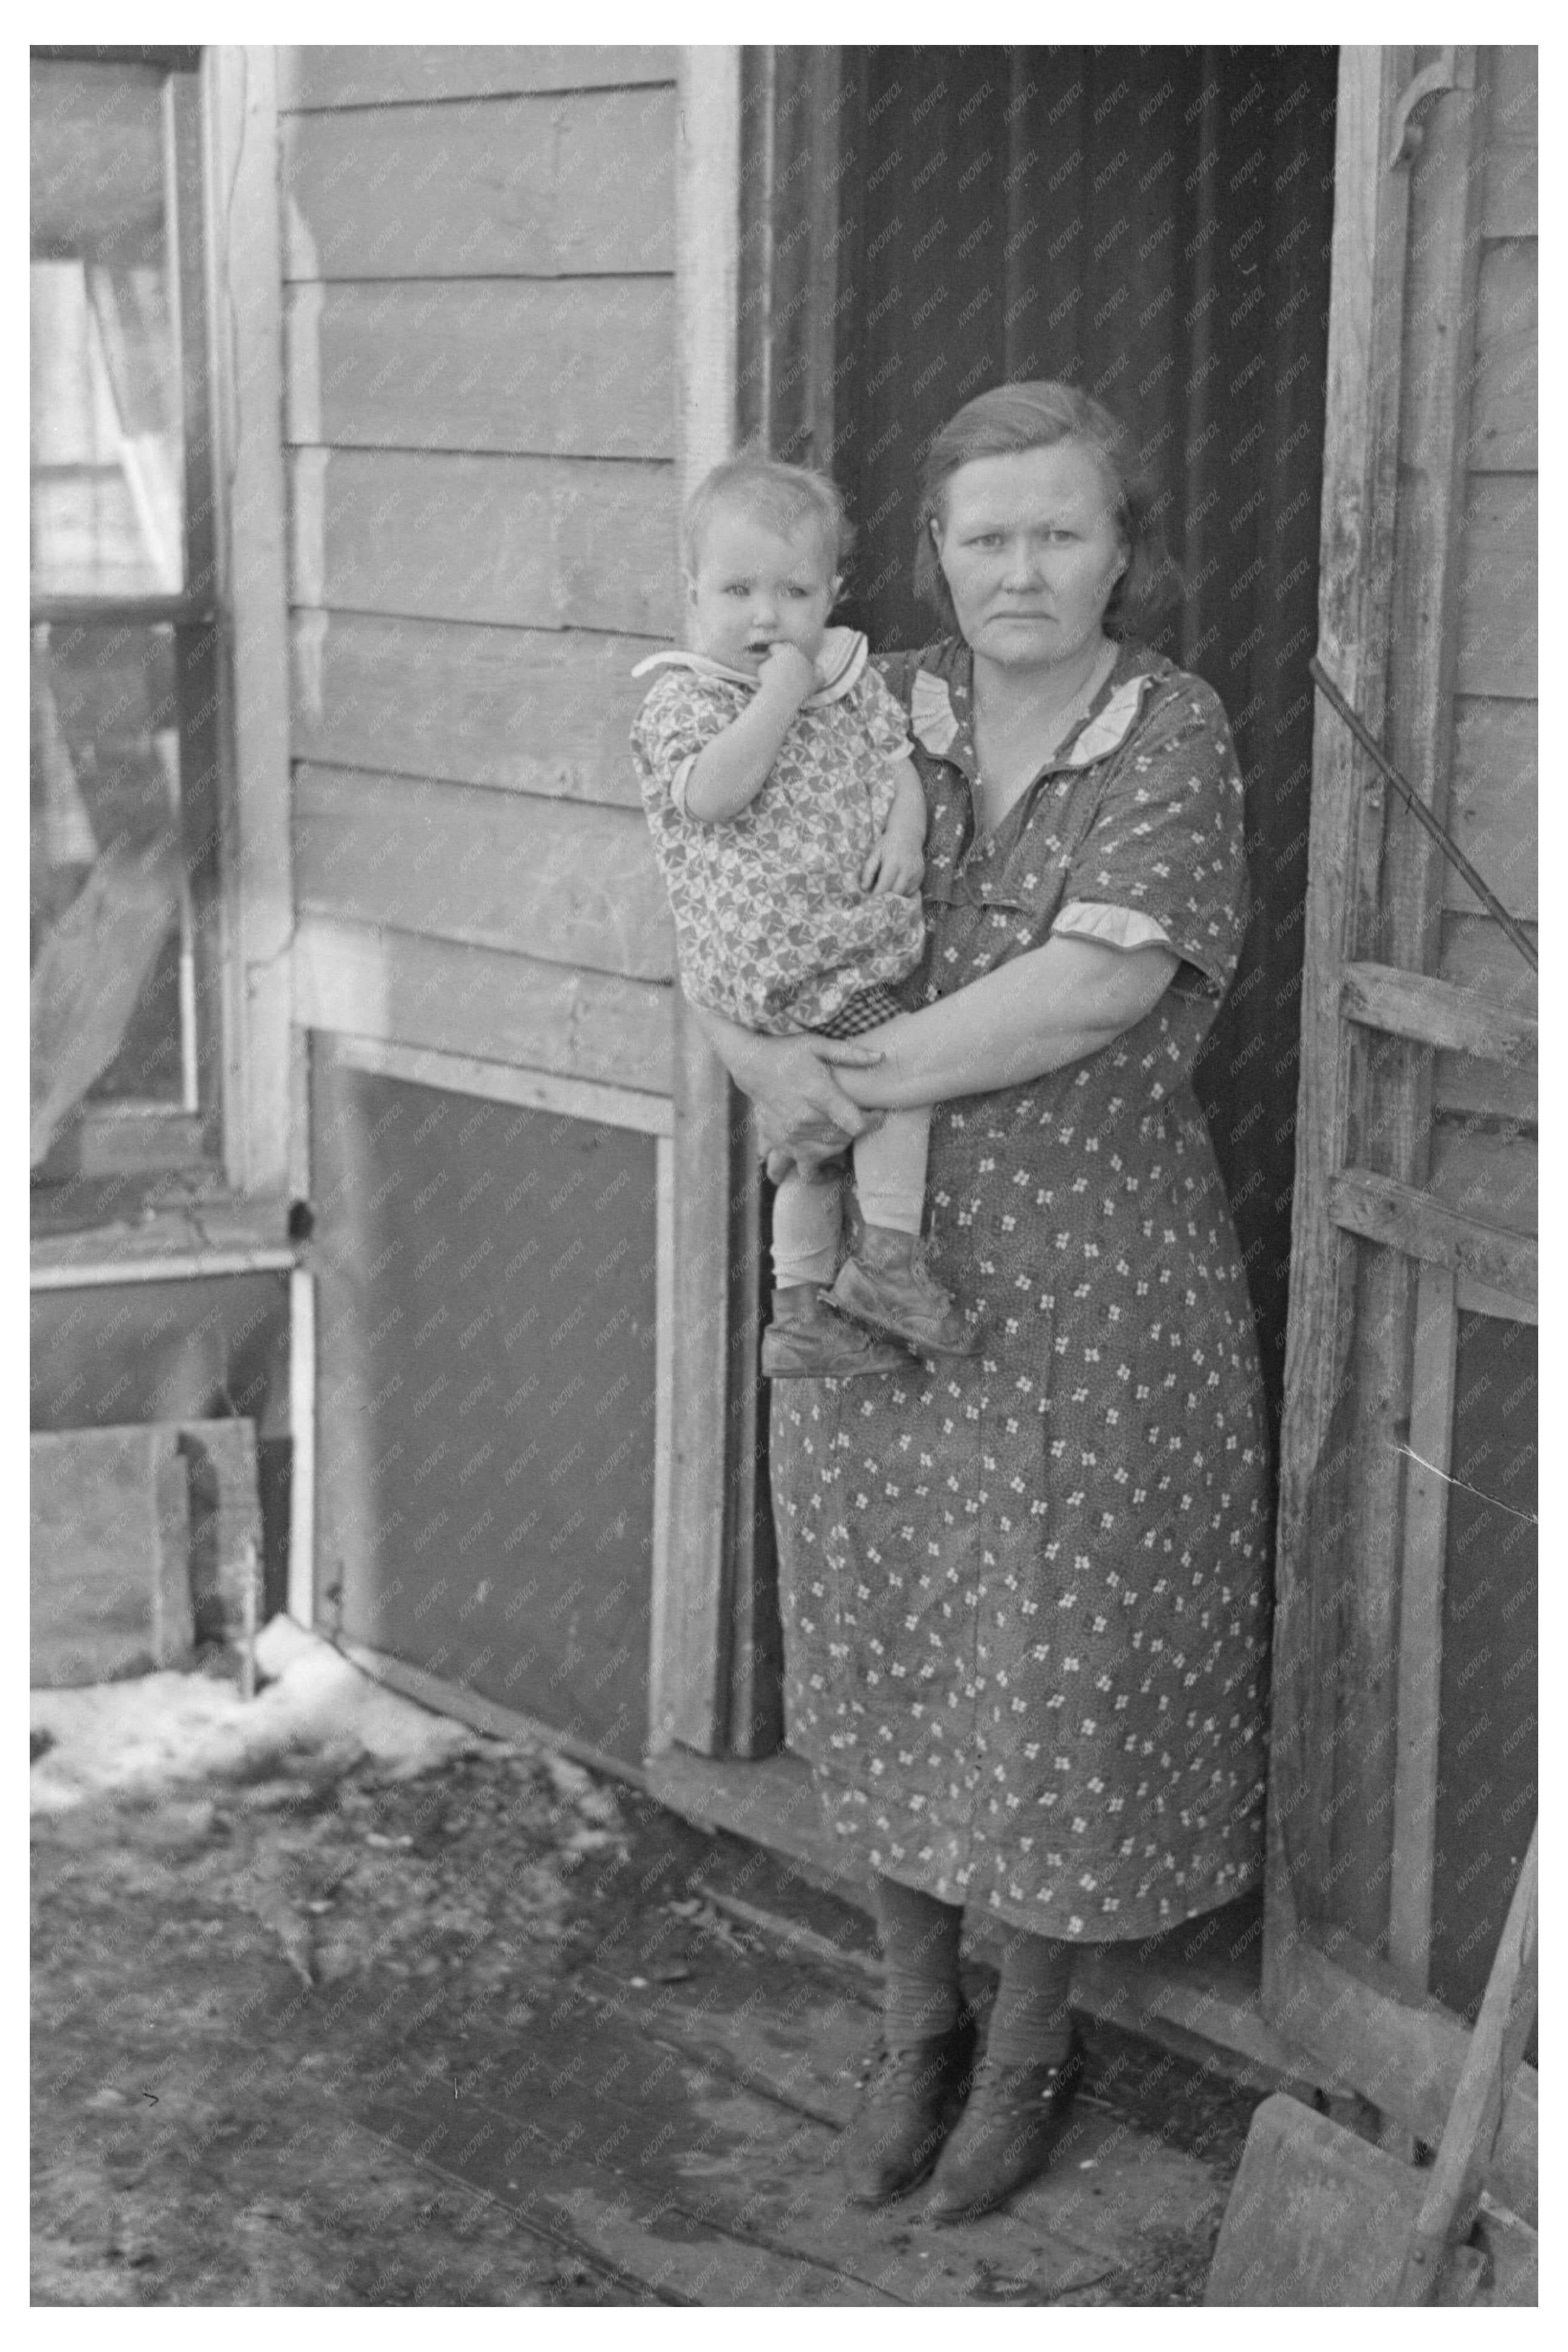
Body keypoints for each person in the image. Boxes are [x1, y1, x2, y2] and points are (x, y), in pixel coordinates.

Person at [687, 383, 1273, 2222]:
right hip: (869, 1274)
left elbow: (1089, 996)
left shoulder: (1168, 729)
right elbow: (701, 887)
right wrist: (742, 1045)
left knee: (1050, 1656)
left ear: (1123, 545)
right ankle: (908, 2025)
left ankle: (1027, 2040)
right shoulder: (858, 701)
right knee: (882, 1621)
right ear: (927, 549)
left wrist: (830, 1075)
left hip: (1093, 1284)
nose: (1021, 566)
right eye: (983, 533)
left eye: (1061, 531)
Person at [632, 452, 978, 1378]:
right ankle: (891, 1265)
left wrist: (905, 832)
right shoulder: (683, 698)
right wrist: (781, 694)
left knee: (811, 1146)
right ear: (693, 592)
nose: (765, 616)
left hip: (831, 946)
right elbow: (711, 796)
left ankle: (800, 1310)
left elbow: (891, 759)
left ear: (832, 591)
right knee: (894, 1082)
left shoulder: (849, 679)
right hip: (778, 965)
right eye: (737, 588)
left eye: (793, 591)